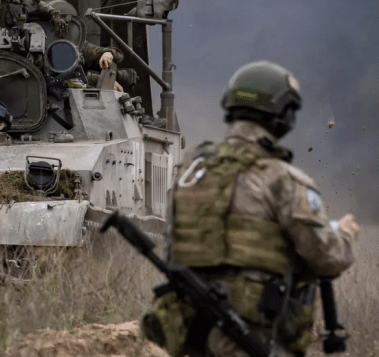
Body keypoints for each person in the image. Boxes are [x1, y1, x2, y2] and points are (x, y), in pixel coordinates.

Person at [142, 61, 358, 357]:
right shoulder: (283, 180)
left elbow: (174, 248)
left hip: (188, 338)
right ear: (282, 116)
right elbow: (328, 258)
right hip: (250, 339)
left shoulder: (192, 169)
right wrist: (344, 235)